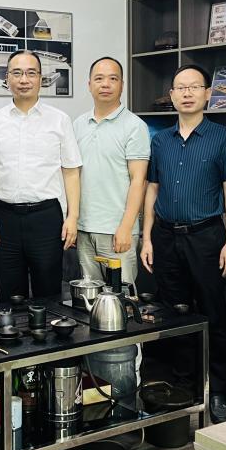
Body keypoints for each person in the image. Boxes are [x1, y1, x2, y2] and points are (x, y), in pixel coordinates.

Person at [141, 64, 226, 423]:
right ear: (171, 95)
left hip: (207, 236)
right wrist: (147, 237)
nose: (187, 93)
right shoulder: (160, 140)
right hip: (166, 237)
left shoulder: (223, 138)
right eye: (180, 88)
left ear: (208, 94)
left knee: (213, 313)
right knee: (176, 313)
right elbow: (152, 190)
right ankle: (184, 385)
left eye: (194, 87)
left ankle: (219, 390)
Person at [0, 50, 82, 301]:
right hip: (4, 218)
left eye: (31, 73)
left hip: (46, 218)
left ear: (40, 78)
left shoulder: (59, 120)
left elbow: (71, 172)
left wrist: (72, 217)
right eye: (16, 73)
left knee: (49, 298)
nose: (24, 80)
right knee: (9, 299)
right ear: (7, 78)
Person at [73, 56, 149, 289]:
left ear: (122, 85)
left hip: (117, 230)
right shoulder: (78, 124)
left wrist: (126, 227)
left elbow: (139, 180)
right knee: (90, 299)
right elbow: (72, 176)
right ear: (89, 85)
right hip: (84, 228)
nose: (105, 84)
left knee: (121, 298)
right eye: (99, 79)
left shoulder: (134, 126)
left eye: (113, 79)